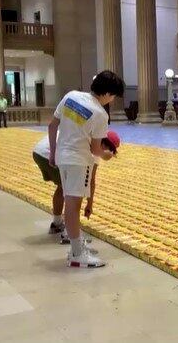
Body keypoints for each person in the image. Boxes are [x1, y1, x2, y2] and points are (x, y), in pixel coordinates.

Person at [48, 70, 124, 268]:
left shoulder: (70, 96)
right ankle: (77, 253)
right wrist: (107, 156)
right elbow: (96, 149)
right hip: (79, 161)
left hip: (63, 157)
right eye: (113, 96)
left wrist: (53, 153)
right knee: (73, 207)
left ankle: (77, 246)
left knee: (69, 203)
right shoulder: (100, 114)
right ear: (107, 93)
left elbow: (52, 125)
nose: (112, 100)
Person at [32, 130, 120, 237]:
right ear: (106, 146)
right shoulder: (95, 148)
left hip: (38, 151)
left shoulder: (88, 135)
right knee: (74, 192)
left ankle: (57, 224)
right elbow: (91, 180)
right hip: (49, 154)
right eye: (110, 151)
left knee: (63, 187)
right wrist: (89, 204)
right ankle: (69, 233)